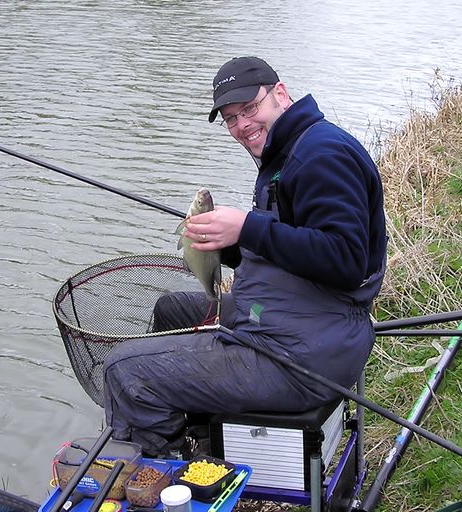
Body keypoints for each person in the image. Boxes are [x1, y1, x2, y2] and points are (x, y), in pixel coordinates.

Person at [102, 56, 386, 457]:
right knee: (171, 310)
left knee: (124, 370)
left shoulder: (321, 156)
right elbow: (291, 247)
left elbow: (346, 260)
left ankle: (167, 473)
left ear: (280, 94)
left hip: (302, 357)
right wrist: (229, 244)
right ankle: (203, 435)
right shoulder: (288, 151)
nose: (242, 125)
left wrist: (246, 227)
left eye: (250, 109)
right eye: (231, 118)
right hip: (295, 319)